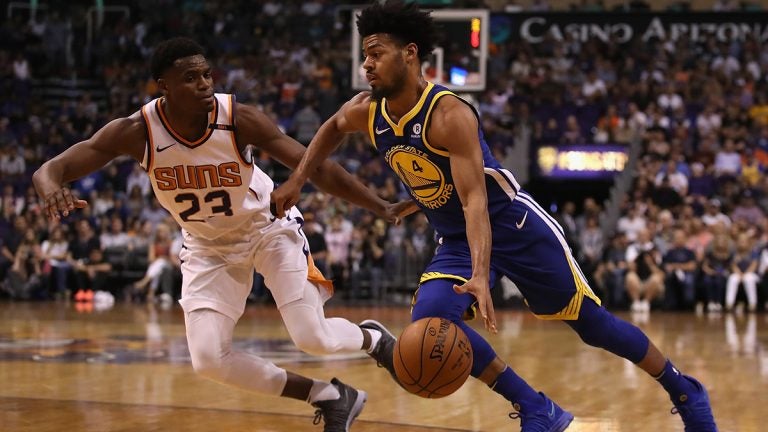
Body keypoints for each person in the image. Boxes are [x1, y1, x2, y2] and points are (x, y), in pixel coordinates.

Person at [270, 2, 718, 431]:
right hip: (456, 240)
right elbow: (330, 128)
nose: (366, 64)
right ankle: (534, 406)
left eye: (376, 53)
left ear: (410, 54)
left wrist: (481, 275)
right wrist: (298, 181)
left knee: (592, 327)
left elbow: (475, 201)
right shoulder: (368, 110)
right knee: (432, 325)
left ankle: (685, 391)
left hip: (514, 226)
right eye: (364, 54)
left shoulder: (448, 114)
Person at [33, 37, 410, 432]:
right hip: (207, 246)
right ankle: (330, 396)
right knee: (209, 359)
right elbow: (50, 169)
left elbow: (313, 165)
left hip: (268, 228)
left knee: (312, 337)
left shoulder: (238, 118)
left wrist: (380, 207)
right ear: (163, 86)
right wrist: (50, 189)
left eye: (207, 74)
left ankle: (373, 340)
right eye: (190, 77)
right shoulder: (136, 131)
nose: (204, 84)